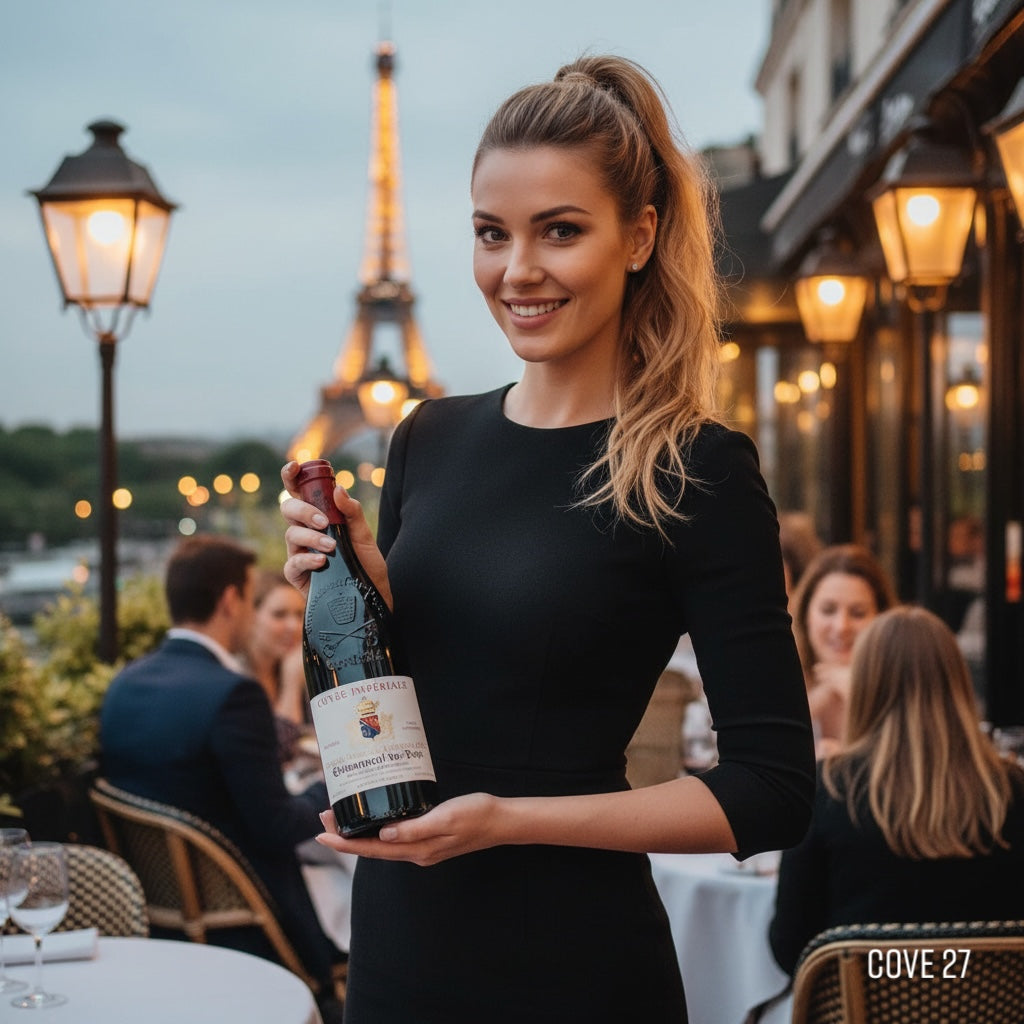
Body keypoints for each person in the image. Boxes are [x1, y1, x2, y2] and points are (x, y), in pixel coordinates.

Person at [281, 54, 815, 1023]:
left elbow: (772, 790)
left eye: (558, 231)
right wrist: (358, 588)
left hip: (566, 961)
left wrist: (508, 822)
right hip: (399, 943)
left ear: (639, 234)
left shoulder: (696, 468)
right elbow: (434, 678)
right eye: (492, 234)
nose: (516, 269)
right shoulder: (428, 438)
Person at [99, 535, 344, 1008]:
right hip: (251, 910)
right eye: (252, 600)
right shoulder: (232, 694)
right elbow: (276, 828)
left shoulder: (125, 682)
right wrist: (333, 784)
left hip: (158, 902)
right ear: (230, 600)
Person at [769, 606, 1024, 975]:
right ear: (959, 684)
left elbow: (789, 948)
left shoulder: (828, 790)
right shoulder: (1014, 790)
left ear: (866, 687)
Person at [790, 544, 896, 751]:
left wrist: (856, 695)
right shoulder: (781, 681)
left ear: (882, 619)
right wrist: (817, 700)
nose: (841, 627)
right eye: (828, 610)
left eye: (858, 613)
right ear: (805, 615)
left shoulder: (899, 687)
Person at [240, 569, 308, 762]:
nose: (293, 626)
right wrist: (292, 686)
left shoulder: (297, 668)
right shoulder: (234, 675)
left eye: (299, 614)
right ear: (251, 616)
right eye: (279, 615)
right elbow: (274, 755)